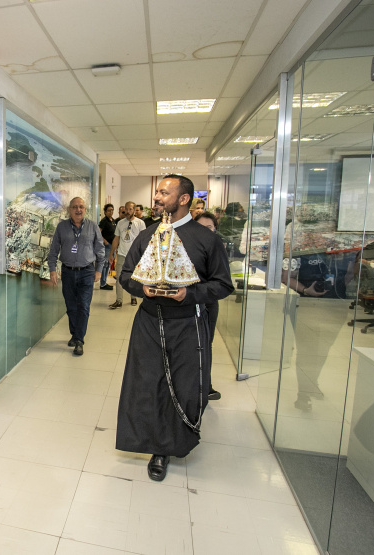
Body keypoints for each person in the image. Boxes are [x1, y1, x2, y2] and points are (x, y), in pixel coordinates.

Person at [116, 175, 233, 481]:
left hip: (186, 324)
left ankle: (168, 446)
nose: (157, 196)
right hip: (149, 321)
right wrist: (144, 289)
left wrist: (189, 294)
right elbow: (126, 275)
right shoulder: (148, 235)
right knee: (147, 383)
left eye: (163, 192)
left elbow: (222, 284)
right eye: (158, 191)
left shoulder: (206, 239)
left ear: (183, 199)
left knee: (179, 386)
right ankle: (152, 441)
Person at [47, 197, 105, 356]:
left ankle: (79, 340)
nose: (78, 210)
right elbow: (53, 251)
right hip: (67, 272)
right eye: (75, 207)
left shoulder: (93, 226)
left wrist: (99, 270)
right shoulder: (62, 227)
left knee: (84, 307)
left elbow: (100, 250)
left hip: (87, 272)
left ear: (85, 209)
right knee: (71, 307)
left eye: (81, 207)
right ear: (69, 210)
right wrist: (52, 269)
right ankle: (75, 333)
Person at [195, 211, 224, 402]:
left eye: (209, 228)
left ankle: (206, 385)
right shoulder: (184, 247)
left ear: (215, 230)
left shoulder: (218, 250)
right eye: (200, 228)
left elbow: (222, 283)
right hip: (187, 302)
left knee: (206, 344)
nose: (205, 232)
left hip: (208, 303)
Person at [109, 201, 146, 308]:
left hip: (134, 256)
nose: (128, 211)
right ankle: (119, 300)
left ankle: (133, 297)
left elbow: (143, 240)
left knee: (133, 277)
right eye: (126, 209)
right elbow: (116, 239)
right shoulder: (120, 223)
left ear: (134, 210)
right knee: (119, 277)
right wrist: (111, 253)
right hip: (121, 254)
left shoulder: (140, 223)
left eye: (130, 209)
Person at [98, 203, 117, 291]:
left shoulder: (113, 220)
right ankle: (102, 284)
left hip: (113, 246)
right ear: (105, 212)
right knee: (105, 264)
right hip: (107, 246)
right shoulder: (104, 221)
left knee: (109, 264)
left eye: (112, 210)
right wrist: (104, 240)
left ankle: (104, 281)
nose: (111, 212)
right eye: (109, 210)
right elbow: (98, 232)